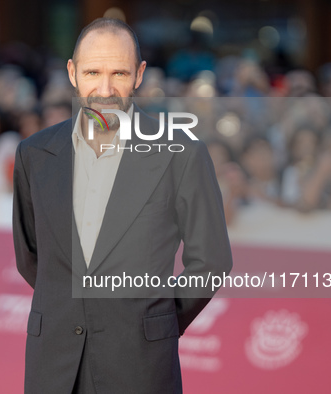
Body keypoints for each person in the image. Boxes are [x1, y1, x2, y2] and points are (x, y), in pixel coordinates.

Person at [12, 18, 233, 394]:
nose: (104, 88)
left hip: (140, 366)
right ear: (72, 73)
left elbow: (211, 261)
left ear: (139, 75)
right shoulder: (35, 153)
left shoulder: (181, 153)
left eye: (119, 73)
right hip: (53, 364)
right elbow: (31, 254)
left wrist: (155, 320)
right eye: (93, 72)